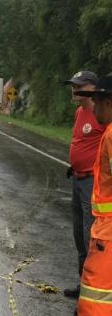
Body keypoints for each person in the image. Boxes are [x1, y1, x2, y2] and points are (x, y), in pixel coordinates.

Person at [62, 71, 104, 298]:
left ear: (91, 88)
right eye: (72, 85)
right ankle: (83, 284)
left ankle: (93, 290)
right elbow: (79, 142)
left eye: (78, 85)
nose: (73, 89)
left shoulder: (102, 114)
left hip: (92, 183)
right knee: (79, 234)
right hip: (77, 179)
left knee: (91, 235)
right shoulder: (80, 112)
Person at [75, 75, 112, 316]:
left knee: (96, 302)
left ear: (109, 102)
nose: (93, 108)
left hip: (108, 237)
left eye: (97, 102)